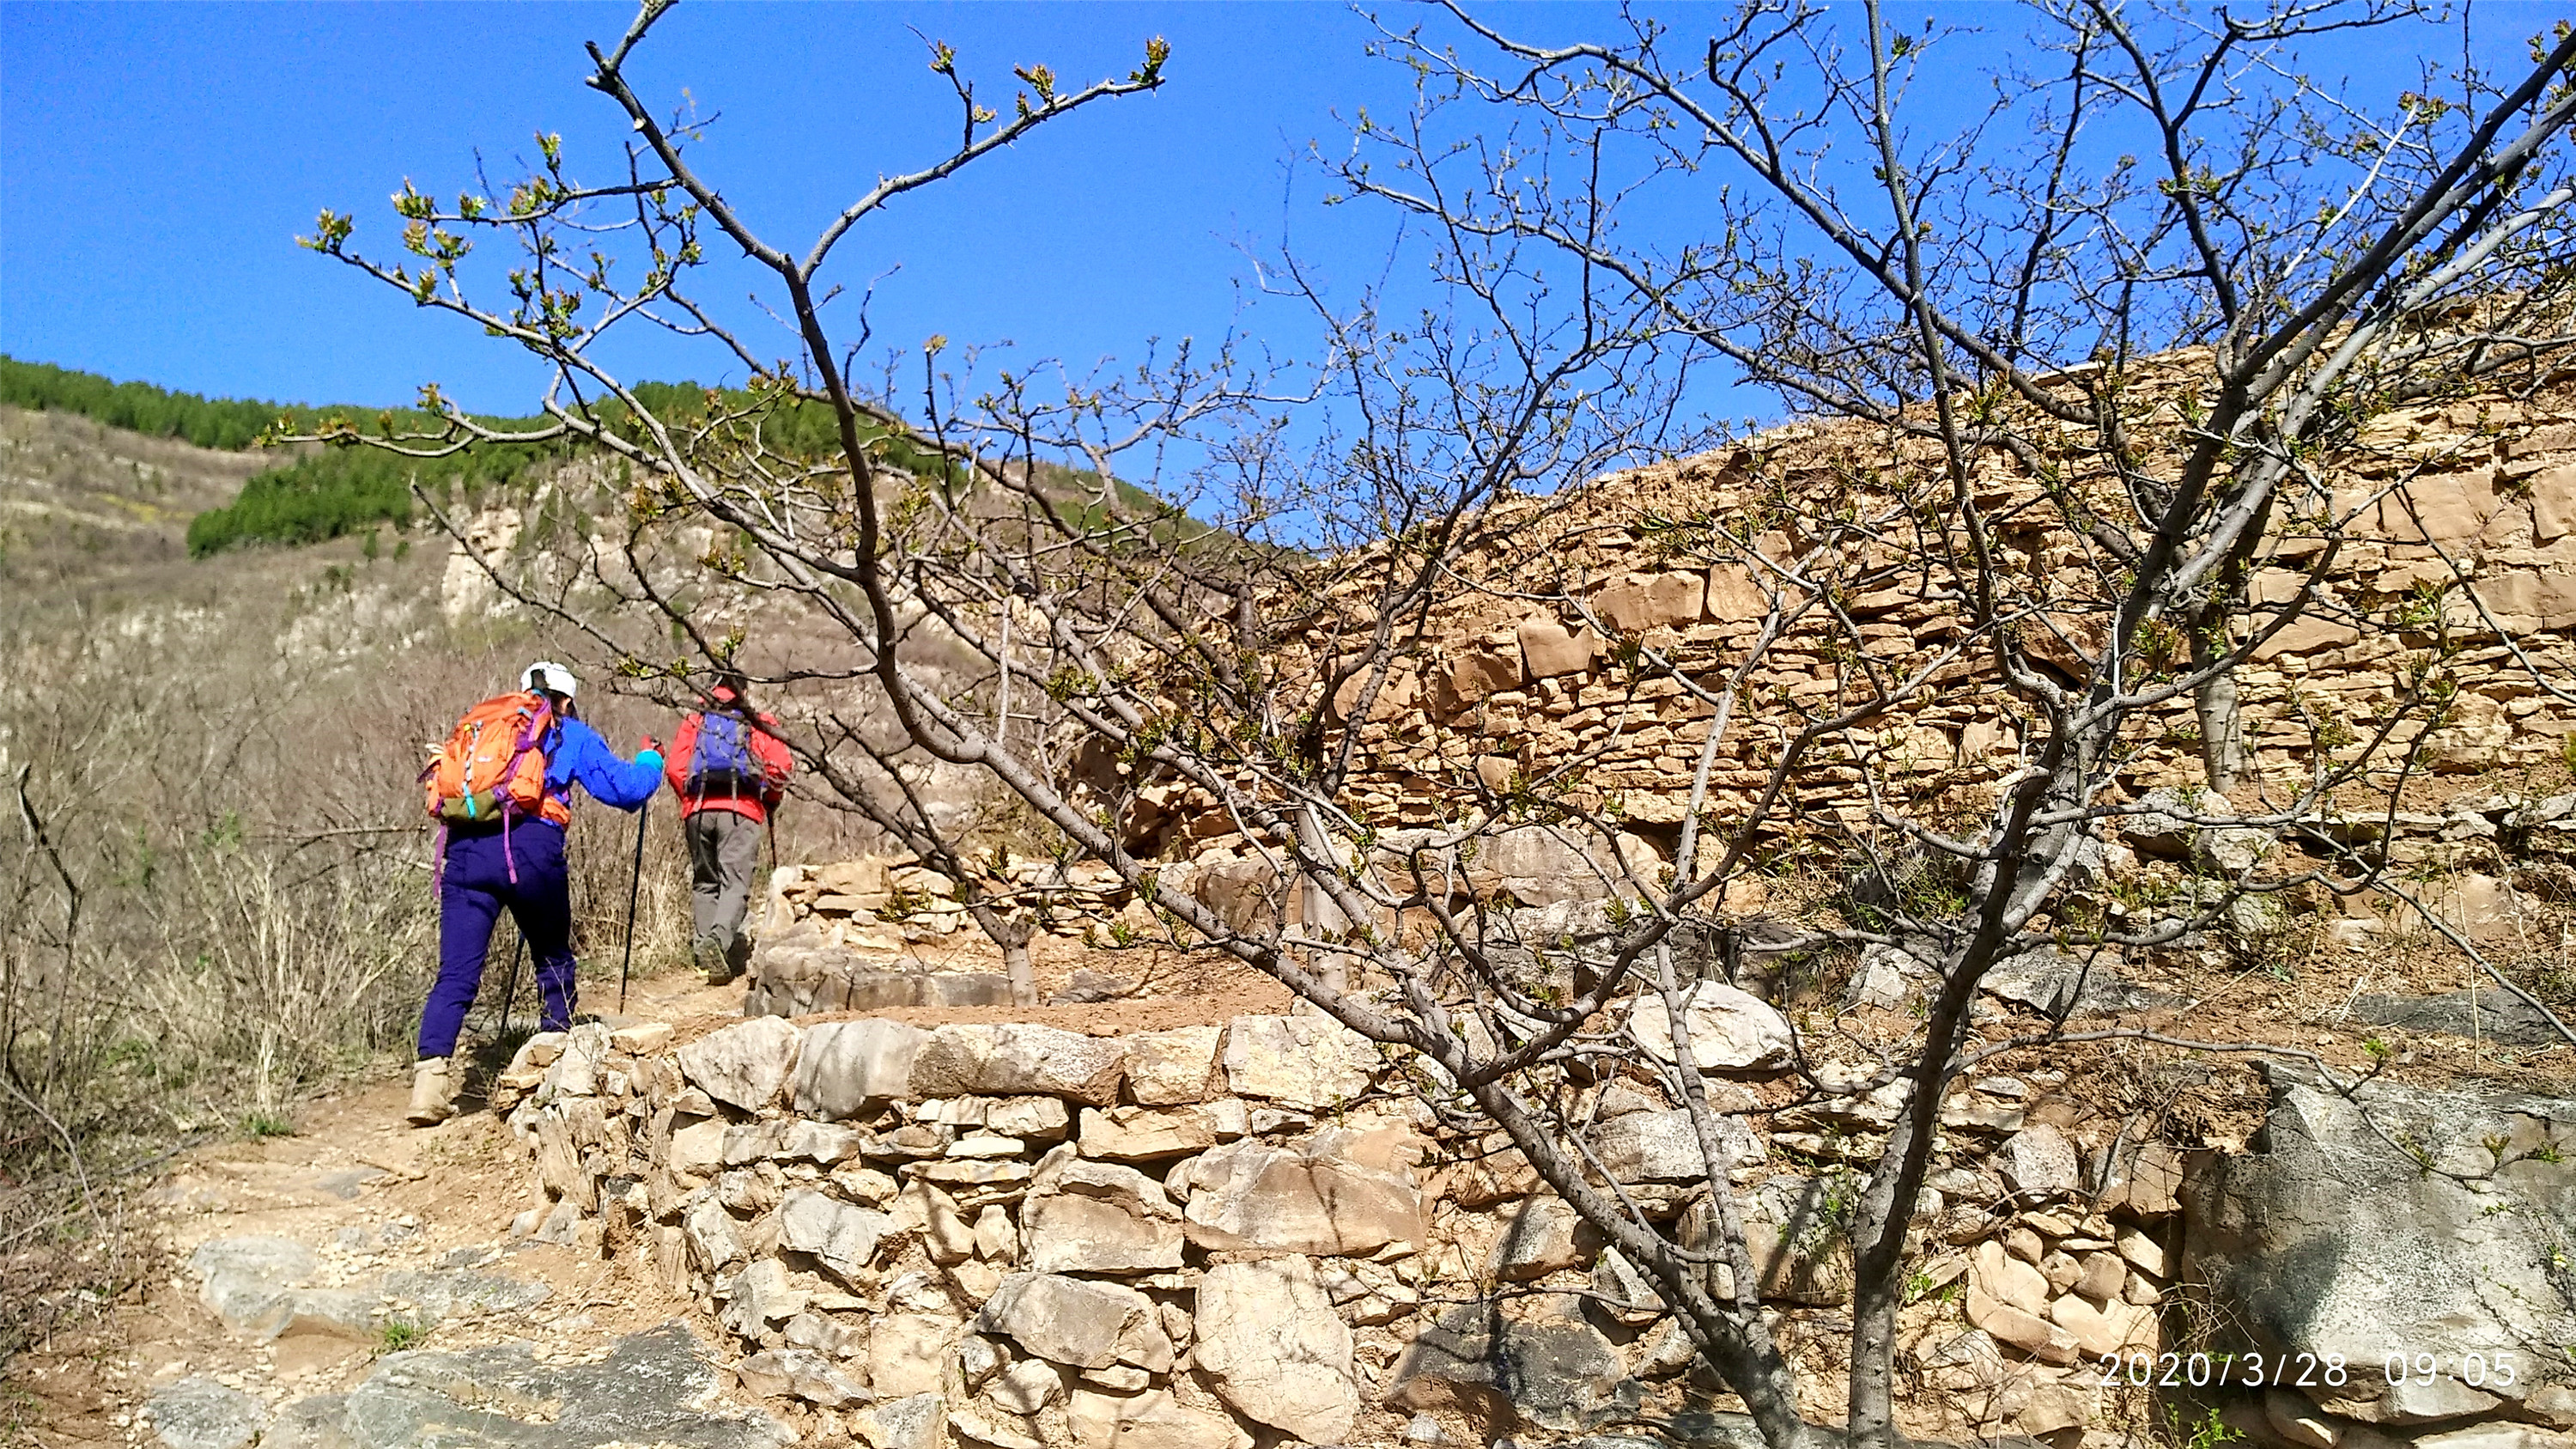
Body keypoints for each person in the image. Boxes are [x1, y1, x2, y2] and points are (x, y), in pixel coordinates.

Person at [409, 661, 664, 1127]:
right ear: (564, 700)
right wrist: (651, 761)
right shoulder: (570, 733)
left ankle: (429, 1087)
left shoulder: (486, 730)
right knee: (551, 955)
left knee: (456, 975)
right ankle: (557, 1055)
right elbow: (626, 792)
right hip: (530, 852)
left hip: (465, 854)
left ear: (524, 692)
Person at [664, 673, 792, 986]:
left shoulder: (696, 720)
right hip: (741, 810)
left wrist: (690, 800)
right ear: (744, 691)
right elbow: (779, 767)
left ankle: (703, 949)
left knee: (705, 882)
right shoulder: (757, 721)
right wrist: (769, 800)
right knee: (735, 882)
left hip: (698, 810)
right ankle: (718, 942)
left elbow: (675, 768)